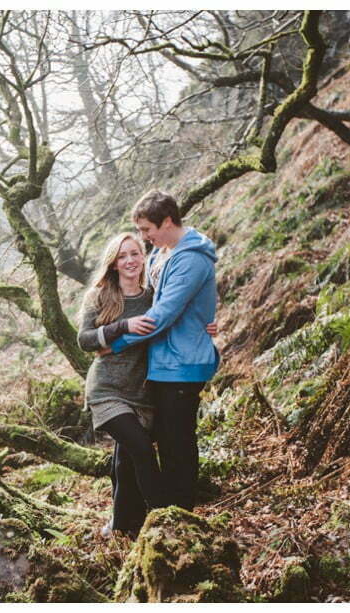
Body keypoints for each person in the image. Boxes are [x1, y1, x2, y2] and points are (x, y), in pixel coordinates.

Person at [106, 189, 219, 512]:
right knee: (136, 443)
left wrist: (114, 343)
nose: (144, 238)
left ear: (168, 221)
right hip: (159, 362)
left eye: (147, 230)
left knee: (176, 445)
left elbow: (164, 312)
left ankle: (181, 516)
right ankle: (130, 516)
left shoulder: (192, 258)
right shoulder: (160, 253)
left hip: (182, 364)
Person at [77, 232, 161, 537]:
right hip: (107, 391)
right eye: (122, 256)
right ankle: (166, 518)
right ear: (113, 264)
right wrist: (122, 327)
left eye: (134, 254)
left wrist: (206, 324)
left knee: (125, 463)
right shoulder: (100, 297)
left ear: (143, 257)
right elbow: (85, 340)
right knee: (142, 450)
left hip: (141, 393)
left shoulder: (153, 296)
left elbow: (174, 319)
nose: (130, 261)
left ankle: (123, 527)